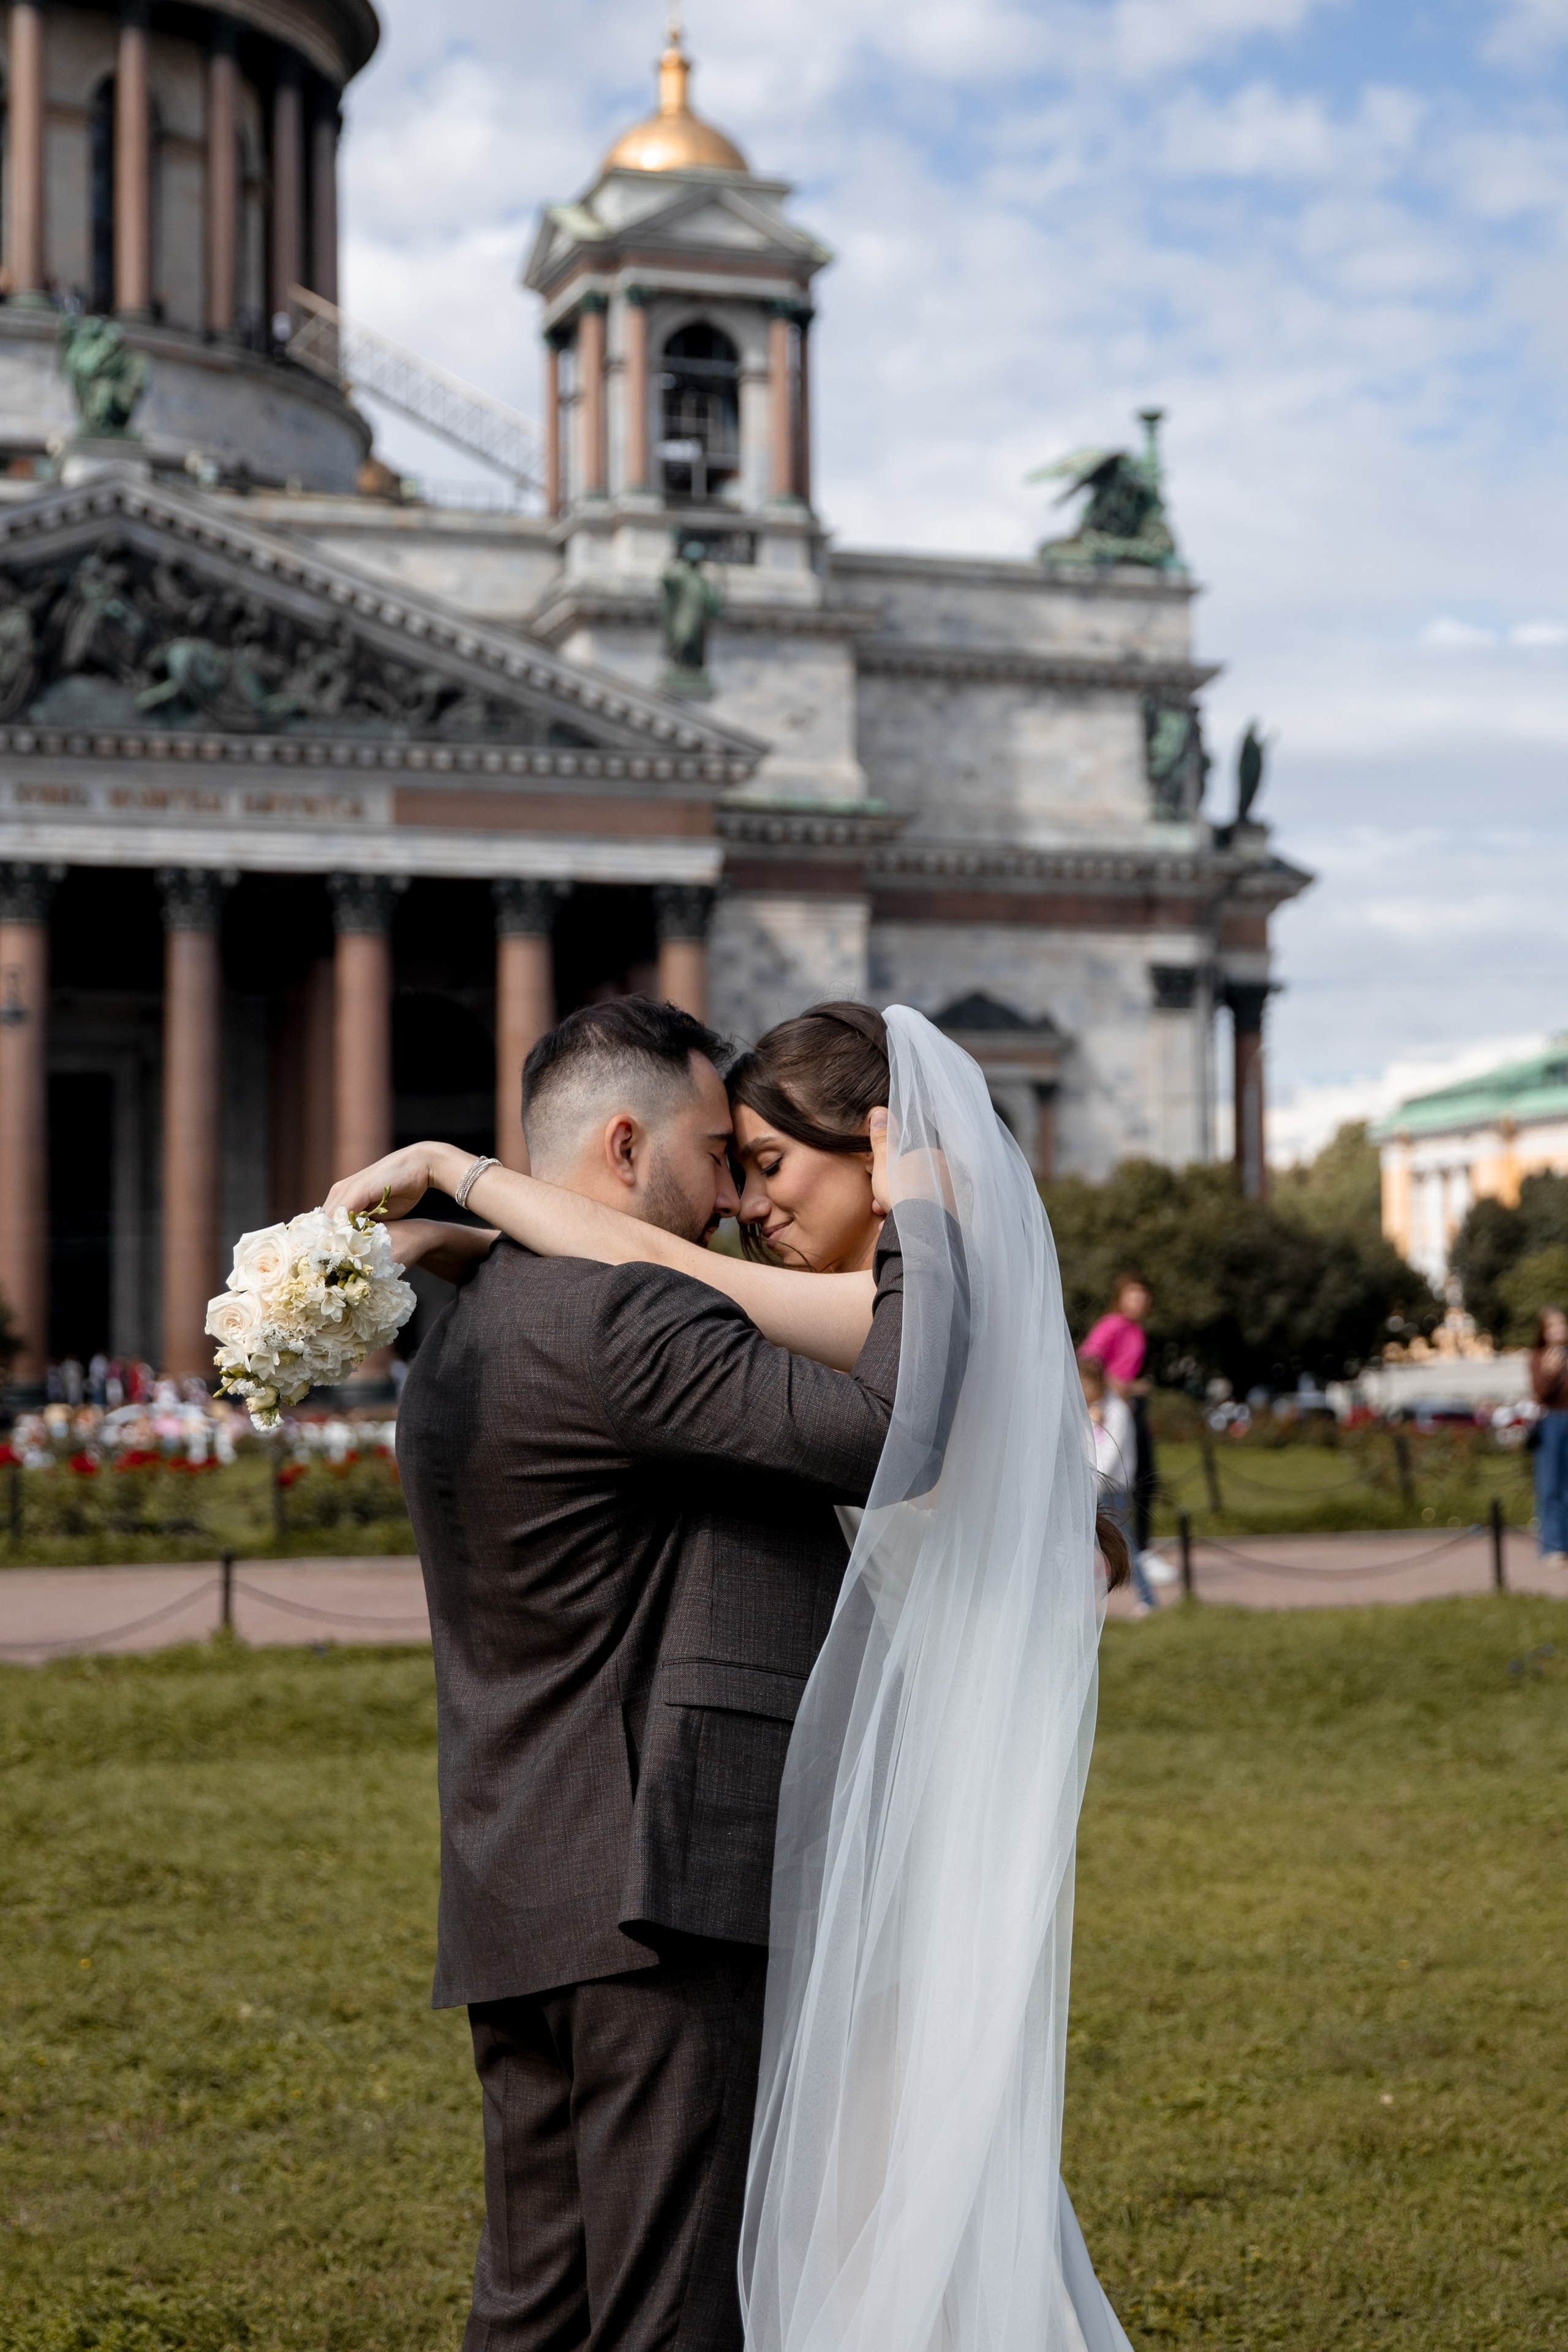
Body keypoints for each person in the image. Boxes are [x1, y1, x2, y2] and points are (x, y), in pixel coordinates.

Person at [331, 997, 1135, 2352]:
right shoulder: (630, 1317)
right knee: (673, 2309)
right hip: (663, 1892)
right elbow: (879, 1416)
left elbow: (721, 1310)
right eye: (726, 1158)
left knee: (544, 2302)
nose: (734, 1202)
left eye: (765, 1164)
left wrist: (472, 1208)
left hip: (525, 1869)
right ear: (635, 1141)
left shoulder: (472, 1336)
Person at [1081, 1273, 1174, 1590]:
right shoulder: (1113, 1325)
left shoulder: (1135, 1330)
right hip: (1115, 1405)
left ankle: (1139, 1554)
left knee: (1144, 1479)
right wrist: (1112, 1389)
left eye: (1143, 1295)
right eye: (1134, 1294)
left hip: (1127, 1405)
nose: (1140, 1301)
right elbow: (1089, 1360)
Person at [1080, 1352, 1154, 1614]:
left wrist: (1090, 1484)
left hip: (1112, 1490)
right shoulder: (1091, 1411)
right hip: (1092, 1488)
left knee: (1125, 1546)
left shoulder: (1118, 1411)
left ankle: (1147, 1598)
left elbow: (1111, 1456)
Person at [1530, 1305, 1568, 1563]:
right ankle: (1554, 1546)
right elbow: (1540, 1395)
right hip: (1551, 1422)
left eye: (1562, 1324)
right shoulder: (1538, 1357)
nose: (1559, 1330)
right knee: (1551, 1486)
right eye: (1553, 1326)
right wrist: (1550, 1373)